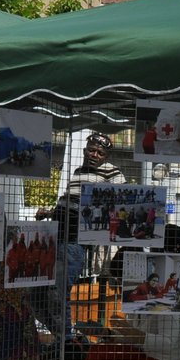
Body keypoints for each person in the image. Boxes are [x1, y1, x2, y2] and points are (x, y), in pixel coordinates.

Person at [36, 131, 126, 337]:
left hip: (73, 241)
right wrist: (50, 212)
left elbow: (123, 202)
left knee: (58, 293)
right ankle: (62, 336)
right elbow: (71, 203)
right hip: (55, 235)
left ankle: (65, 341)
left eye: (100, 153)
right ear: (85, 151)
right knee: (39, 293)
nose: (94, 155)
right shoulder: (78, 171)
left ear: (106, 156)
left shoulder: (112, 174)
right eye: (91, 150)